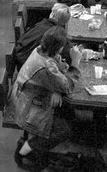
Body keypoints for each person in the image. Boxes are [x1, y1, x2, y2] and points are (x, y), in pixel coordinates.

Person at [9, 27, 81, 170]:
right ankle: (26, 149)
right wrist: (75, 63)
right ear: (59, 48)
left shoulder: (40, 50)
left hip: (27, 95)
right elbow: (67, 86)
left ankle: (38, 145)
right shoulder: (46, 67)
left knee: (68, 112)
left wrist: (56, 89)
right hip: (29, 106)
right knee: (64, 130)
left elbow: (58, 71)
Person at [13, 3, 72, 68]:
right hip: (26, 63)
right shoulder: (55, 34)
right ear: (65, 22)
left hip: (19, 54)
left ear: (51, 14)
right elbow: (68, 54)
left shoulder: (41, 24)